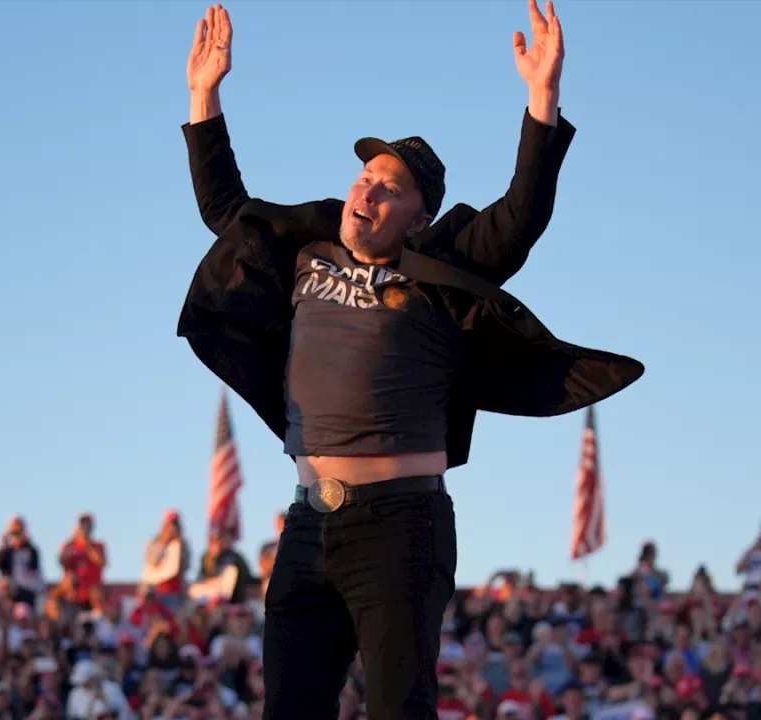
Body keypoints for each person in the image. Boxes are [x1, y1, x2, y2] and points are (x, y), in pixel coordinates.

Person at [175, 3, 643, 718]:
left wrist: (542, 101)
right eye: (365, 176)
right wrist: (204, 95)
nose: (368, 189)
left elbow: (521, 215)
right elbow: (227, 210)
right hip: (305, 526)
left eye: (390, 187)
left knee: (399, 708)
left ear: (418, 217)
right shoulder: (307, 252)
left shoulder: (438, 269)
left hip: (400, 526)